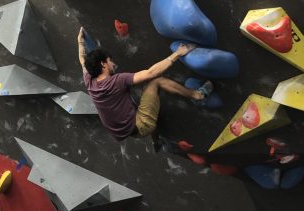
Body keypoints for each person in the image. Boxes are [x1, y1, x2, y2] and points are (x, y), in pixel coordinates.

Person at [77, 27, 213, 141]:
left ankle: (156, 138)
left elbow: (82, 60)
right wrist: (178, 53)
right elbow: (150, 73)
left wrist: (80, 42)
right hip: (140, 125)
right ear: (103, 64)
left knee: (144, 96)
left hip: (127, 132)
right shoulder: (117, 80)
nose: (113, 63)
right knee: (155, 82)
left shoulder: (89, 81)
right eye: (110, 61)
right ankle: (198, 95)